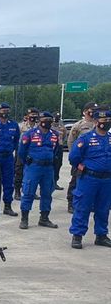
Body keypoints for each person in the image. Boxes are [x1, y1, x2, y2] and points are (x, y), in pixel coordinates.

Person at [68, 106, 111, 249]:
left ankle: (101, 235)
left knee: (103, 208)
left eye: (109, 120)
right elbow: (74, 157)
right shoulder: (85, 138)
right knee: (82, 207)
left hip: (106, 180)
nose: (106, 122)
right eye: (104, 120)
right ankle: (77, 236)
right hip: (89, 179)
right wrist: (81, 167)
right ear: (96, 121)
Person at [17, 111, 60, 229]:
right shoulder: (29, 134)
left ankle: (44, 218)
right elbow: (21, 151)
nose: (47, 122)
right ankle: (24, 219)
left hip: (48, 168)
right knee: (28, 192)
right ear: (39, 121)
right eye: (45, 120)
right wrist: (28, 163)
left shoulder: (54, 134)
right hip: (33, 167)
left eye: (49, 120)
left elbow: (56, 150)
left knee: (47, 193)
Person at [66, 102, 99, 213]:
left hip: (94, 159)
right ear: (85, 112)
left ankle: (91, 203)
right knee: (75, 181)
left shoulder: (98, 124)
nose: (93, 112)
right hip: (80, 159)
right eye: (90, 110)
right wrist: (74, 157)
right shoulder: (78, 125)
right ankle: (71, 202)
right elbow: (71, 141)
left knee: (92, 182)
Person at [14, 108, 39, 200]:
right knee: (19, 171)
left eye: (34, 115)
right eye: (31, 115)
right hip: (22, 150)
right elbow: (16, 138)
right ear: (27, 116)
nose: (33, 117)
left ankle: (32, 191)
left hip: (34, 151)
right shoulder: (20, 126)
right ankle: (17, 191)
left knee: (33, 172)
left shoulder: (39, 127)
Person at [52, 112, 66, 190]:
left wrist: (61, 143)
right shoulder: (49, 125)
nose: (57, 119)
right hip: (51, 147)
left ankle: (55, 182)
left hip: (59, 146)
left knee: (58, 165)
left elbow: (65, 136)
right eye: (56, 117)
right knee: (51, 165)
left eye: (58, 117)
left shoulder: (62, 126)